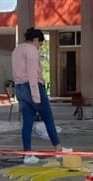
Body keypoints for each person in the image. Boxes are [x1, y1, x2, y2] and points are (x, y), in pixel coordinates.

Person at [11, 27, 63, 164]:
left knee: (27, 122)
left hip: (20, 87)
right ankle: (58, 148)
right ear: (35, 40)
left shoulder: (17, 50)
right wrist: (36, 96)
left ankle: (27, 154)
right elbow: (33, 74)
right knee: (48, 118)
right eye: (39, 43)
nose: (39, 47)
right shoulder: (31, 50)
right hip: (32, 87)